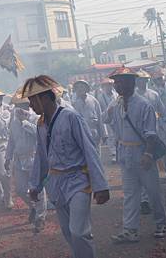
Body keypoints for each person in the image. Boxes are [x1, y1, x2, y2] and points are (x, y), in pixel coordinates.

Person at [25, 75, 109, 258]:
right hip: (56, 183)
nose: (30, 105)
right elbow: (41, 157)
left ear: (45, 98)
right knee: (68, 232)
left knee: (79, 231)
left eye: (32, 100)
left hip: (78, 180)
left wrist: (101, 186)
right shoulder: (40, 125)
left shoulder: (71, 117)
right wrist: (36, 185)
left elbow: (90, 150)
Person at [106, 67, 166, 243]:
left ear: (132, 82)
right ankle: (130, 229)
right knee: (130, 193)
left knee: (153, 191)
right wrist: (111, 109)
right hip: (125, 154)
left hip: (142, 152)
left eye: (122, 82)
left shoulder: (143, 105)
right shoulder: (116, 104)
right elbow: (106, 120)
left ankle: (161, 224)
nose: (118, 86)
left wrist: (148, 154)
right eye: (116, 82)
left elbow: (151, 133)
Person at [5, 91, 47, 233]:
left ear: (28, 105)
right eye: (17, 106)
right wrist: (7, 156)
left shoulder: (36, 118)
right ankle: (34, 208)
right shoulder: (13, 120)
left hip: (34, 158)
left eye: (22, 105)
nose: (19, 109)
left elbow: (39, 134)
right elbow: (11, 139)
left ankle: (40, 218)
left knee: (38, 189)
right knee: (20, 190)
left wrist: (25, 122)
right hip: (18, 159)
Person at [135, 70, 166, 180]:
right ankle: (150, 174)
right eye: (140, 80)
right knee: (146, 150)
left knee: (164, 147)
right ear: (136, 82)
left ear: (147, 81)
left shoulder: (153, 94)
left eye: (144, 80)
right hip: (141, 129)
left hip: (157, 126)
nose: (142, 82)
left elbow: (162, 110)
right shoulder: (134, 96)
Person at [72, 80, 108, 155]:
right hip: (81, 134)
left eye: (82, 87)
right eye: (77, 87)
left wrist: (104, 134)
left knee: (96, 155)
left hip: (94, 133)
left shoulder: (93, 101)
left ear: (86, 88)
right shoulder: (73, 103)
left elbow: (100, 118)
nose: (79, 89)